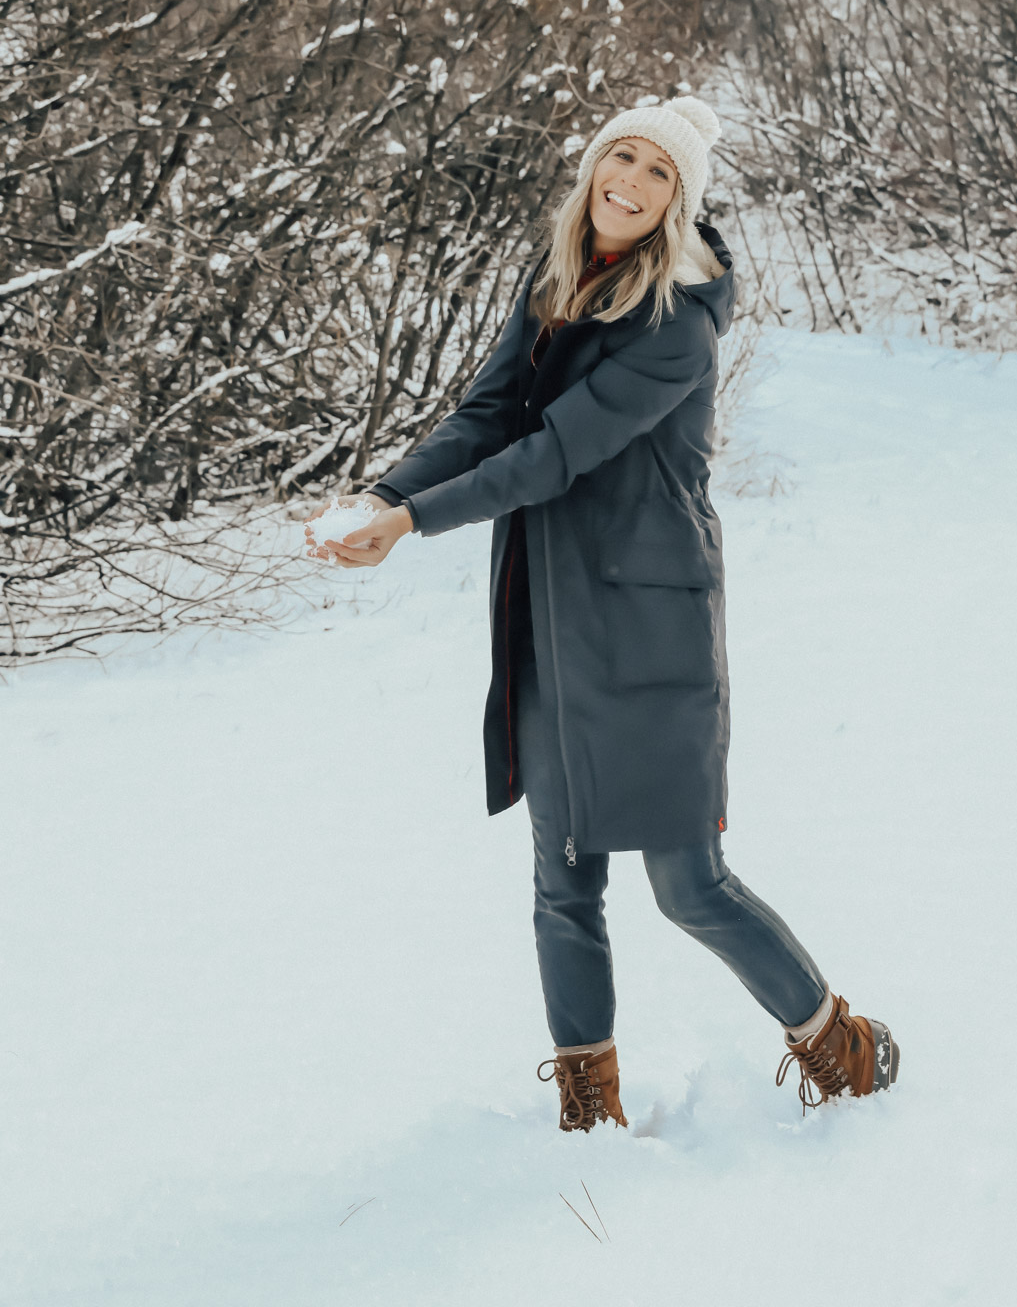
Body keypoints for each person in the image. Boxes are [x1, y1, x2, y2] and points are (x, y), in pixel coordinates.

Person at [307, 96, 899, 1131]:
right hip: (549, 621)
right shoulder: (553, 285)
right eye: (620, 156)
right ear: (591, 170)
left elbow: (553, 454)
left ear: (678, 205)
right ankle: (589, 1100)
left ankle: (837, 1047)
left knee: (688, 883)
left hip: (647, 628)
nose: (632, 178)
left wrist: (413, 525)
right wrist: (387, 495)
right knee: (564, 878)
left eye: (659, 172)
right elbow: (489, 418)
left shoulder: (681, 322)